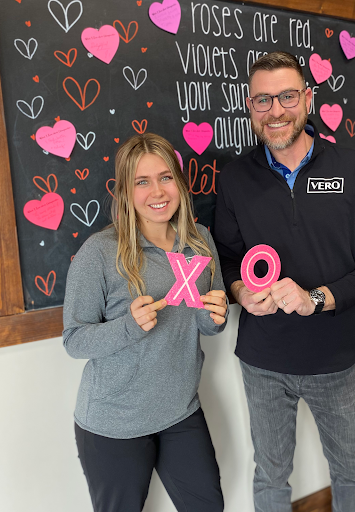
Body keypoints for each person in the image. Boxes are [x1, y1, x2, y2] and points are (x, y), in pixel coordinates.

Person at [214, 51, 355, 512]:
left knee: (350, 471)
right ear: (250, 106)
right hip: (261, 360)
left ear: (308, 99)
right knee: (270, 475)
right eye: (262, 100)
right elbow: (228, 258)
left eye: (287, 96)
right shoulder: (235, 178)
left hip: (333, 359)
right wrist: (240, 291)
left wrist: (315, 298)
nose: (275, 110)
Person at [63, 133, 228, 512]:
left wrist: (215, 318)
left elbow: (207, 323)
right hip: (114, 422)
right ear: (125, 192)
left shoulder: (200, 240)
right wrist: (129, 326)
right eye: (142, 181)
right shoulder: (99, 252)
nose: (157, 191)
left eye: (166, 177)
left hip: (181, 409)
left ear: (180, 183)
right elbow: (74, 340)